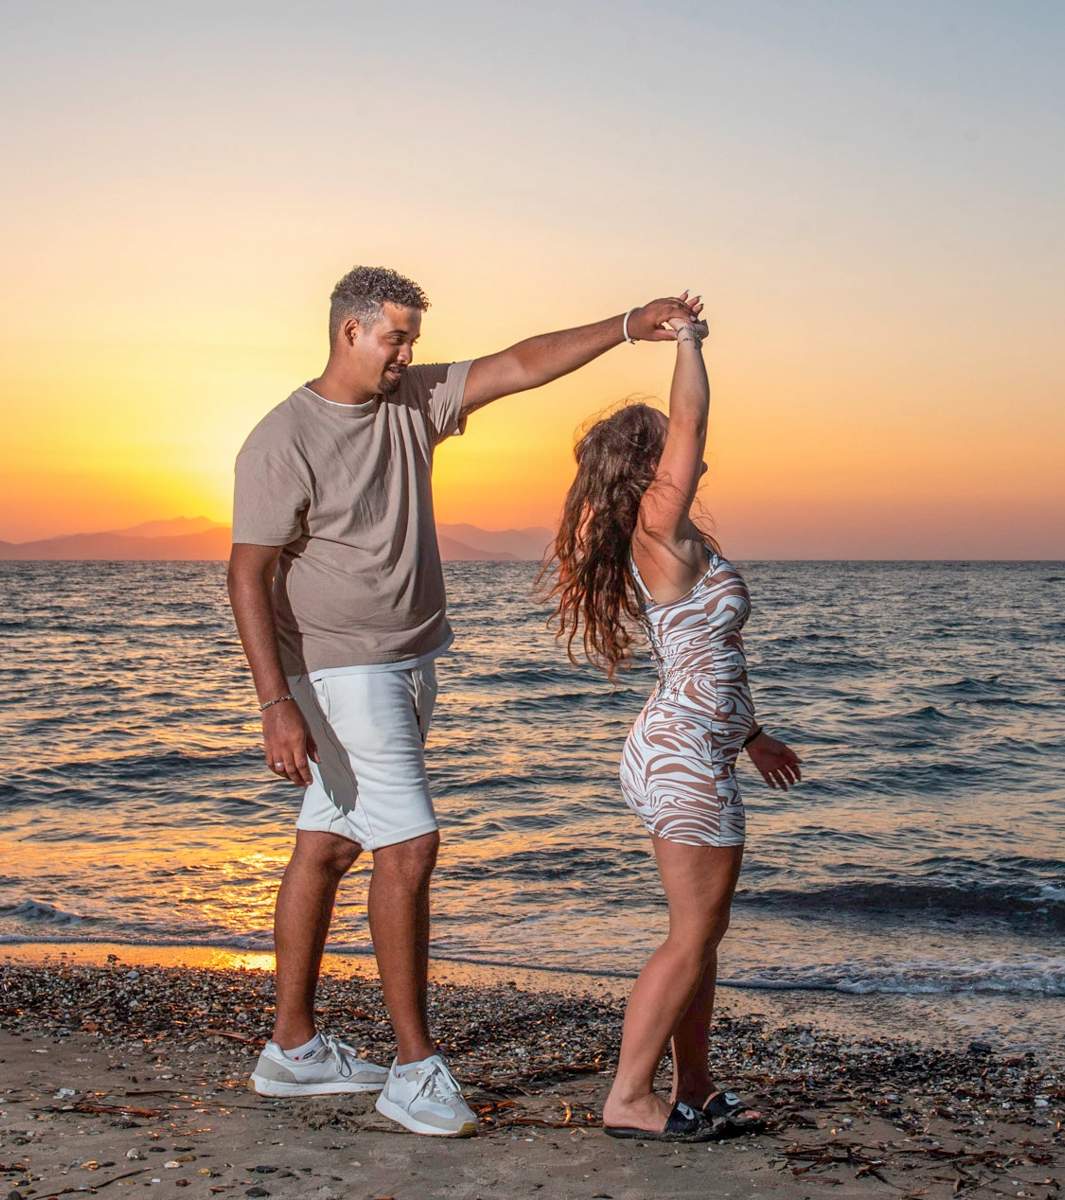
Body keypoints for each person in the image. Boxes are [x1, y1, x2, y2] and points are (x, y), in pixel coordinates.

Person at [227, 265, 698, 1137]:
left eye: (412, 337)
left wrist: (630, 323)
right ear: (349, 332)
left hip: (409, 662)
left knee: (330, 844)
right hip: (338, 672)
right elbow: (247, 574)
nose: (407, 352)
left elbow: (522, 364)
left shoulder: (414, 401)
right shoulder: (282, 438)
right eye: (394, 337)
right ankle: (414, 1070)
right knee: (409, 848)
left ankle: (291, 1051)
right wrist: (273, 703)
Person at [542, 298, 803, 1141]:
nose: (685, 451)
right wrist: (686, 339)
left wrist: (751, 734)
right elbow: (693, 414)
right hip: (682, 752)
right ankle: (629, 1098)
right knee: (692, 933)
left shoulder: (670, 537)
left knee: (703, 937)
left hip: (693, 743)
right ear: (651, 465)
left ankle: (694, 1086)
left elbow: (711, 656)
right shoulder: (657, 525)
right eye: (669, 446)